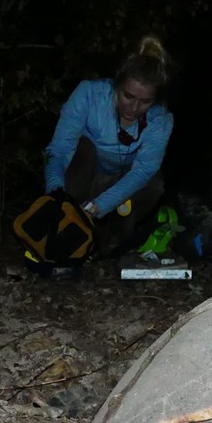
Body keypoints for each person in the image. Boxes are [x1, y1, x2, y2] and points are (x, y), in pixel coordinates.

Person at [39, 36, 174, 273]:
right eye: (128, 96)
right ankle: (64, 226)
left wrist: (97, 207)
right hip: (84, 178)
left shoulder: (161, 118)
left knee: (154, 184)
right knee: (84, 149)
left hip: (120, 187)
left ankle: (113, 240)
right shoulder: (89, 94)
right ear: (116, 85)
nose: (133, 108)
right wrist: (54, 190)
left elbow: (144, 170)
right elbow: (58, 149)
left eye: (145, 102)